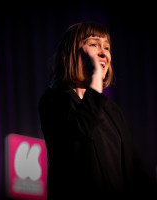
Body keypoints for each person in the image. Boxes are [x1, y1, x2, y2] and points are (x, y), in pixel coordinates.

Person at [38, 22, 156, 199]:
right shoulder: (54, 99)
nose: (103, 53)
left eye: (106, 47)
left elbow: (134, 168)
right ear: (72, 53)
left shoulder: (112, 110)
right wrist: (95, 77)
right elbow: (79, 131)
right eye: (94, 44)